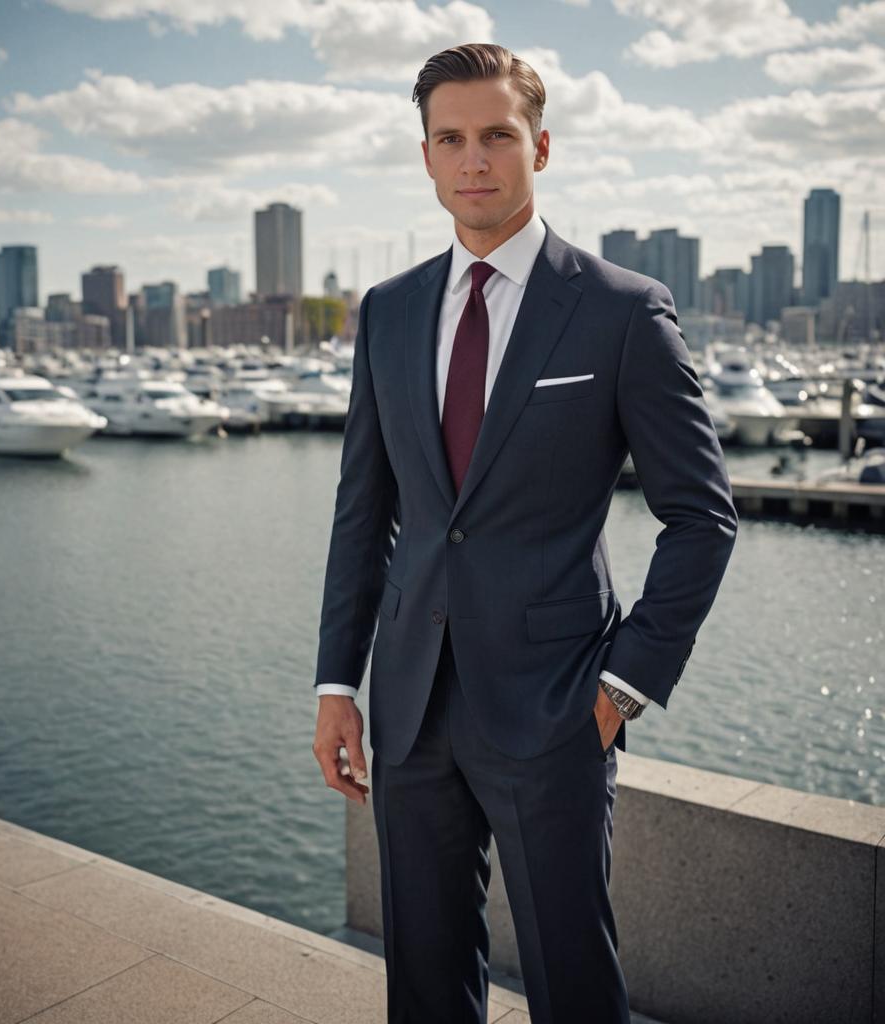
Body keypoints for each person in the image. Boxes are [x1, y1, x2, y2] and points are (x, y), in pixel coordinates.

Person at [311, 41, 737, 1024]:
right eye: (450, 139)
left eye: (496, 136)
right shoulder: (386, 312)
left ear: (539, 147)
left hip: (555, 710)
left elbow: (701, 518)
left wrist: (620, 688)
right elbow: (361, 511)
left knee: (571, 982)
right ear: (424, 157)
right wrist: (338, 681)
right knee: (421, 979)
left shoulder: (621, 312)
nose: (474, 160)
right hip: (409, 703)